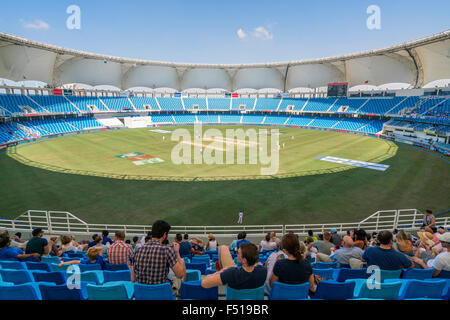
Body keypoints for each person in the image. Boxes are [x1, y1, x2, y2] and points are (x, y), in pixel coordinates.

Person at [129, 220, 186, 285]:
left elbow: (133, 279)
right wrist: (177, 252)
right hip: (162, 293)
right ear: (164, 235)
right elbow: (180, 275)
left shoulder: (137, 250)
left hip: (141, 293)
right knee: (181, 266)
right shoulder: (167, 250)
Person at [201, 242, 267, 290]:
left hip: (230, 275)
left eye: (238, 253)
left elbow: (204, 283)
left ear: (244, 260)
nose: (236, 255)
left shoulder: (231, 273)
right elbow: (259, 265)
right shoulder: (263, 271)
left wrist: (220, 272)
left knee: (223, 247)